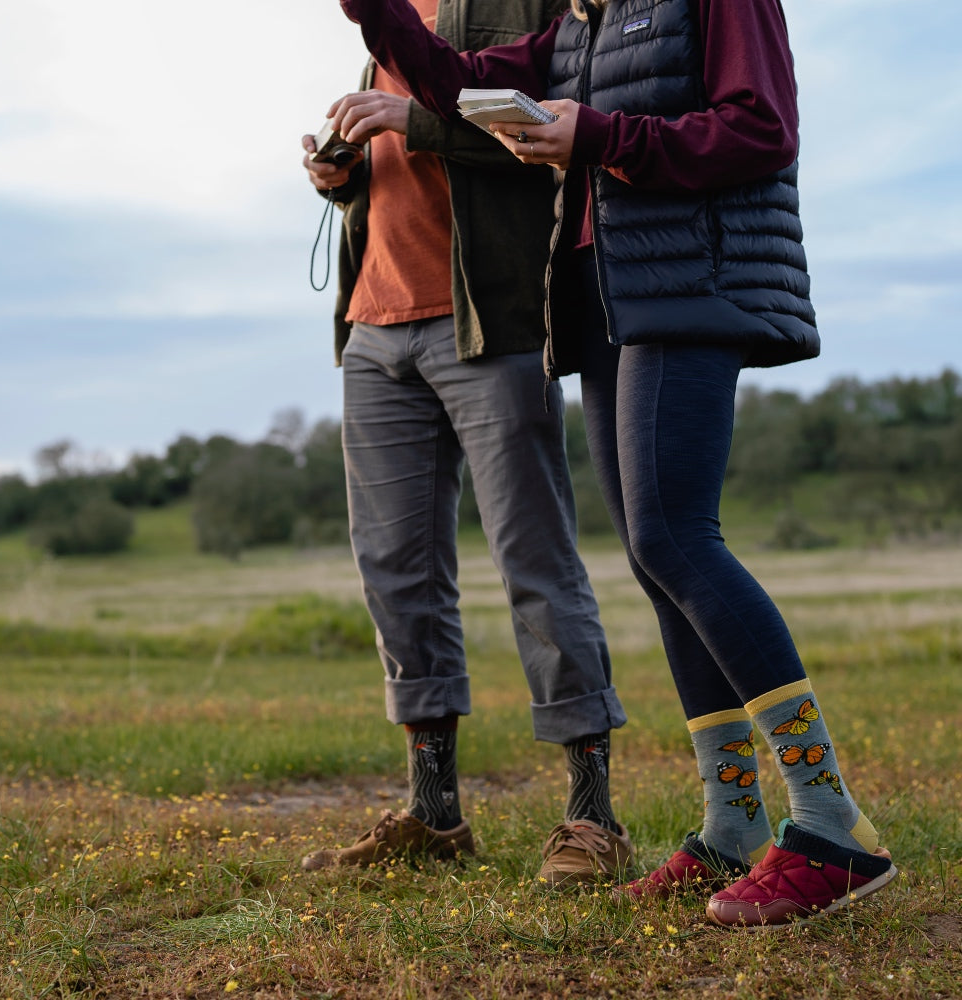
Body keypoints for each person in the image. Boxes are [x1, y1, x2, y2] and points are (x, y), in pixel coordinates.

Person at [335, 0, 898, 927]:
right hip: (605, 294)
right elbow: (454, 84)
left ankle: (835, 827)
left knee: (679, 540)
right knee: (651, 555)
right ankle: (732, 823)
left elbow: (763, 128)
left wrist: (595, 132)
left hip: (685, 278)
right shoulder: (584, 20)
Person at [299, 0, 632, 890]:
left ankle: (593, 815)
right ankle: (435, 814)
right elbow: (395, 163)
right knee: (397, 572)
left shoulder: (522, 6)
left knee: (535, 560)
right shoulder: (386, 24)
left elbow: (549, 136)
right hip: (374, 329)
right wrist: (344, 175)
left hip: (488, 325)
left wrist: (421, 120)